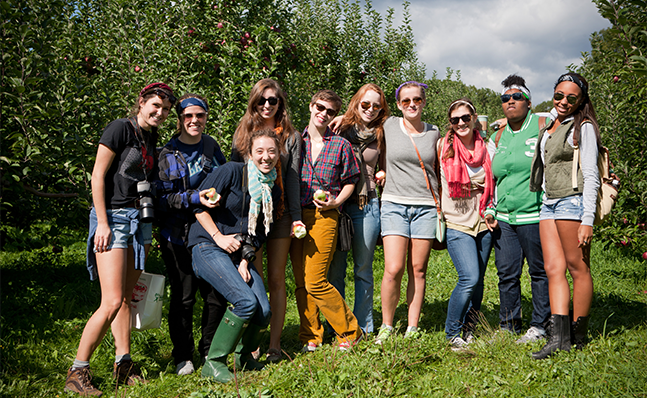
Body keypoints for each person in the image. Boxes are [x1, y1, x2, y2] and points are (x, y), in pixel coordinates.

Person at [65, 82, 176, 396]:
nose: (160, 113)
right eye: (155, 106)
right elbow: (98, 175)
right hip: (112, 219)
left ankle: (122, 363)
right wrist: (102, 222)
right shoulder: (119, 129)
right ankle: (78, 371)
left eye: (166, 110)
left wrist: (148, 229)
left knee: (127, 298)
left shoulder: (150, 137)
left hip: (137, 221)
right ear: (141, 102)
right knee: (112, 301)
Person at [188, 128, 282, 382]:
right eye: (260, 151)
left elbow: (260, 232)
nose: (266, 157)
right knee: (245, 302)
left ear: (278, 154)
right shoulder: (230, 171)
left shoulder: (271, 189)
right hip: (207, 245)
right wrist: (218, 237)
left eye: (272, 151)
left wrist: (244, 260)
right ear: (249, 154)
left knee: (263, 311)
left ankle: (244, 358)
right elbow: (198, 205)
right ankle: (214, 362)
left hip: (238, 254)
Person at [529, 72, 600, 359]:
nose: (564, 101)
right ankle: (559, 339)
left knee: (577, 267)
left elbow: (592, 174)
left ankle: (578, 335)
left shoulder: (583, 127)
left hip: (573, 202)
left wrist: (588, 219)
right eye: (559, 95)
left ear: (581, 100)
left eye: (572, 98)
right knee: (553, 269)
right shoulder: (549, 126)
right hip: (548, 203)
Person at [157, 93, 228, 375]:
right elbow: (163, 198)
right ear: (179, 119)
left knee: (214, 294)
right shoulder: (168, 153)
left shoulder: (211, 146)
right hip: (176, 233)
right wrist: (196, 198)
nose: (194, 120)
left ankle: (210, 350)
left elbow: (225, 178)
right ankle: (183, 355)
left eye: (199, 115)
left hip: (208, 231)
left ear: (206, 117)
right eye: (188, 116)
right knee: (184, 297)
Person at [231, 78, 301, 362]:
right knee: (255, 278)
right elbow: (238, 178)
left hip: (281, 215)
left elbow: (293, 179)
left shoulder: (291, 137)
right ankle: (252, 341)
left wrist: (297, 217)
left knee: (276, 279)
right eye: (262, 100)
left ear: (280, 103)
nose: (268, 105)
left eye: (273, 100)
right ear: (254, 103)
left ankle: (274, 344)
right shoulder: (242, 134)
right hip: (253, 217)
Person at [291, 89, 362, 352]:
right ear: (311, 106)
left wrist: (335, 202)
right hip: (296, 216)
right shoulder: (295, 141)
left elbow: (350, 181)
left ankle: (350, 331)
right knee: (301, 280)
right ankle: (311, 335)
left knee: (315, 280)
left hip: (324, 216)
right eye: (320, 107)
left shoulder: (340, 145)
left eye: (330, 111)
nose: (324, 114)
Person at [484, 74, 551, 343]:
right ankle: (508, 325)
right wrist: (490, 207)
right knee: (507, 273)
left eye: (517, 97)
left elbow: (560, 112)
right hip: (504, 218)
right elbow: (491, 178)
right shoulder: (497, 136)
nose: (511, 101)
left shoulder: (543, 125)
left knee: (539, 271)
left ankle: (540, 325)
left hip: (535, 213)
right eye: (505, 98)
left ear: (528, 101)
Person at [376, 81, 440, 344]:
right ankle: (387, 326)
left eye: (416, 100)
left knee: (418, 268)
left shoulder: (435, 132)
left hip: (425, 206)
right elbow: (362, 116)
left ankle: (412, 327)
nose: (411, 105)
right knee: (393, 268)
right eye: (406, 101)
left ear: (424, 102)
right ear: (399, 104)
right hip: (393, 204)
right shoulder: (389, 124)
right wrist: (341, 119)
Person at [327, 83, 390, 335]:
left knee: (363, 269)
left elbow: (389, 161)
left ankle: (364, 325)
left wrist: (384, 171)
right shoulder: (339, 127)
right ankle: (339, 325)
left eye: (376, 106)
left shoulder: (383, 132)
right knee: (336, 268)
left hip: (367, 203)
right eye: (365, 104)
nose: (371, 109)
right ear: (357, 103)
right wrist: (343, 116)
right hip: (339, 205)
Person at [439, 98, 494, 350]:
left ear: (474, 118)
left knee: (480, 279)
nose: (460, 123)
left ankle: (469, 328)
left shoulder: (488, 147)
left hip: (484, 221)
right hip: (457, 222)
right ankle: (452, 333)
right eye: (455, 120)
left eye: (465, 117)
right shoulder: (443, 146)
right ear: (450, 123)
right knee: (469, 277)